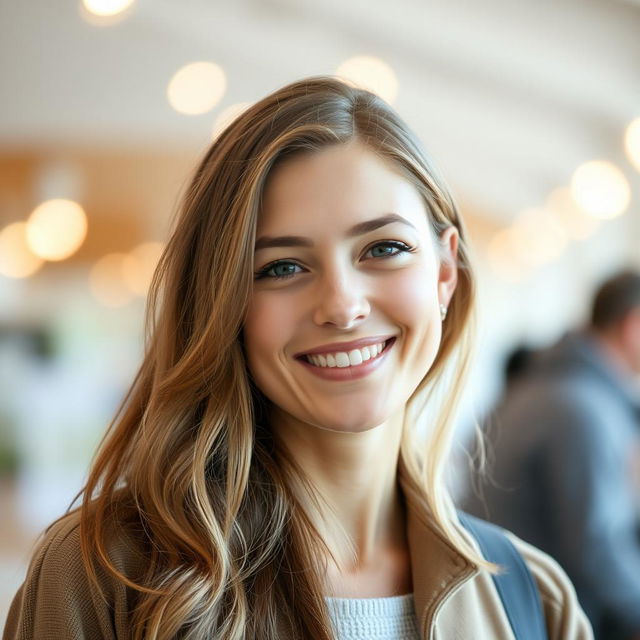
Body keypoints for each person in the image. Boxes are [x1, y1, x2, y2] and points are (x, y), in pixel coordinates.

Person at [3, 77, 591, 640]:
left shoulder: (535, 602)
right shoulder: (103, 578)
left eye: (384, 248)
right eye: (281, 267)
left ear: (443, 274)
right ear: (223, 302)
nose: (341, 305)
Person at [464, 270, 640, 640]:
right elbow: (598, 552)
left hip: (503, 611)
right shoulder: (583, 409)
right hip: (539, 621)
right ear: (633, 326)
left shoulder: (543, 387)